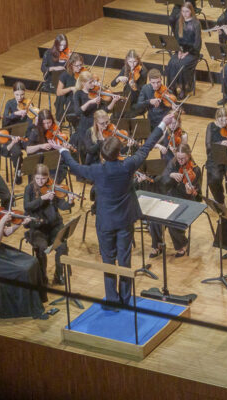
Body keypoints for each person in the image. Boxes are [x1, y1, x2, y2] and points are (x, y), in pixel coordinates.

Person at [51, 111, 175, 307]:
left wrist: (62, 151)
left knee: (108, 261)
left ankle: (112, 299)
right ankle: (125, 299)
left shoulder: (96, 170)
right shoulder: (128, 165)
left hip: (106, 222)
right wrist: (163, 123)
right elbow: (147, 147)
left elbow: (75, 167)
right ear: (119, 152)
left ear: (102, 154)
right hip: (125, 220)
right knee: (124, 260)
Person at [0, 194, 50, 319]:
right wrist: (2, 223)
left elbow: (6, 233)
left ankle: (37, 299)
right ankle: (26, 309)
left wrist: (19, 223)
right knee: (23, 270)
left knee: (32, 261)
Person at [24, 164, 73, 285]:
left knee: (62, 246)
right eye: (38, 178)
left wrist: (70, 201)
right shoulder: (29, 189)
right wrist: (42, 198)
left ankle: (59, 275)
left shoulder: (52, 187)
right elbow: (27, 206)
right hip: (38, 227)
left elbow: (62, 206)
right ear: (34, 177)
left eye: (43, 179)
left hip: (54, 225)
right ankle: (42, 276)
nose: (41, 182)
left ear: (48, 177)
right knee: (41, 248)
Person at [150, 144, 201, 259]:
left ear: (189, 155)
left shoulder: (196, 169)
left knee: (172, 220)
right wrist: (170, 174)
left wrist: (189, 192)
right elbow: (162, 181)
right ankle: (158, 245)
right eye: (178, 158)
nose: (180, 161)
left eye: (183, 158)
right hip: (171, 197)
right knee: (155, 218)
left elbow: (198, 195)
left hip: (187, 201)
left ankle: (182, 244)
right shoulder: (173, 163)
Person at [165, 1, 202, 99]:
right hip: (180, 50)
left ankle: (184, 88)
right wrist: (179, 51)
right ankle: (172, 87)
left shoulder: (196, 24)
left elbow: (197, 43)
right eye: (183, 11)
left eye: (187, 11)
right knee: (172, 63)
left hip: (193, 52)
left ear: (191, 11)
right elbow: (177, 39)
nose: (184, 14)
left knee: (182, 65)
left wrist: (186, 53)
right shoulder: (179, 22)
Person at [55, 53, 85, 125]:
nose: (79, 67)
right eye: (77, 66)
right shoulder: (65, 75)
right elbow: (58, 92)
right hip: (72, 103)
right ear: (71, 65)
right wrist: (71, 88)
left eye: (81, 65)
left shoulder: (83, 73)